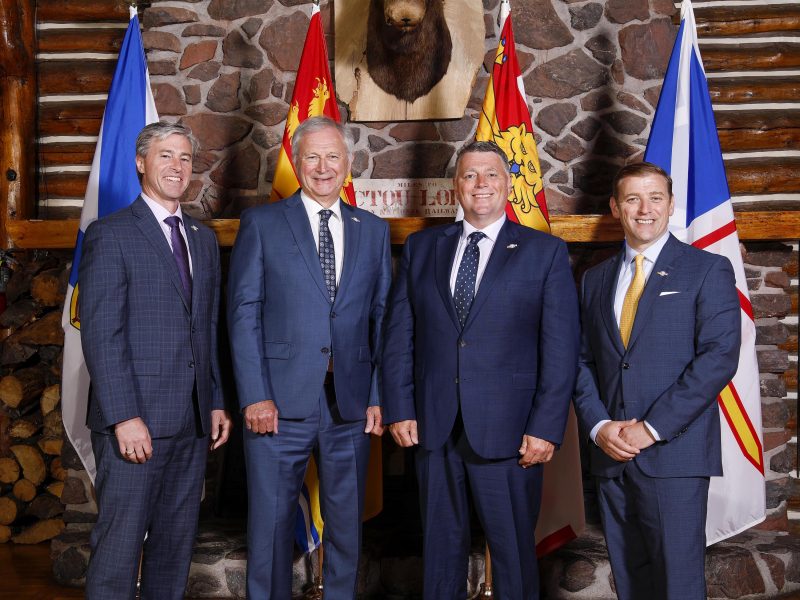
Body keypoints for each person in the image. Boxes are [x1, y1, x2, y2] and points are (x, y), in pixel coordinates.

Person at [381, 140, 580, 599]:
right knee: (439, 552)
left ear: (508, 184)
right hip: (434, 426)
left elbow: (561, 350)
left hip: (511, 433)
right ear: (456, 185)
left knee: (512, 554)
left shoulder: (544, 252)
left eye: (491, 174)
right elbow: (399, 335)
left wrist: (546, 428)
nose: (480, 184)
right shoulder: (422, 247)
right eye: (470, 175)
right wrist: (400, 407)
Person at [227, 116, 392, 599]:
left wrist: (378, 394)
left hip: (350, 405)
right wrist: (255, 396)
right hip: (277, 404)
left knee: (347, 527)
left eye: (332, 156)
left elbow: (383, 319)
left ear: (348, 163)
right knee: (270, 528)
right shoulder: (262, 224)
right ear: (296, 163)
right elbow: (243, 314)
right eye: (312, 157)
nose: (323, 167)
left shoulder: (372, 230)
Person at [573, 162, 741, 599]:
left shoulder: (707, 269)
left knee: (678, 585)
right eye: (632, 199)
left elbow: (718, 358)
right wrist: (598, 426)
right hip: (611, 454)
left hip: (674, 455)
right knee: (630, 583)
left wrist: (650, 428)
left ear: (670, 205)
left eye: (655, 198)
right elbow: (581, 361)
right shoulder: (594, 279)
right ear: (615, 208)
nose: (644, 209)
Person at [79, 121, 232, 600]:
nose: (177, 166)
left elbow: (207, 327)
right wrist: (125, 417)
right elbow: (102, 335)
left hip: (191, 422)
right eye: (166, 155)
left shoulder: (202, 239)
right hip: (135, 421)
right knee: (120, 546)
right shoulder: (110, 234)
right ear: (141, 162)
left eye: (185, 158)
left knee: (174, 546)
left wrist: (215, 400)